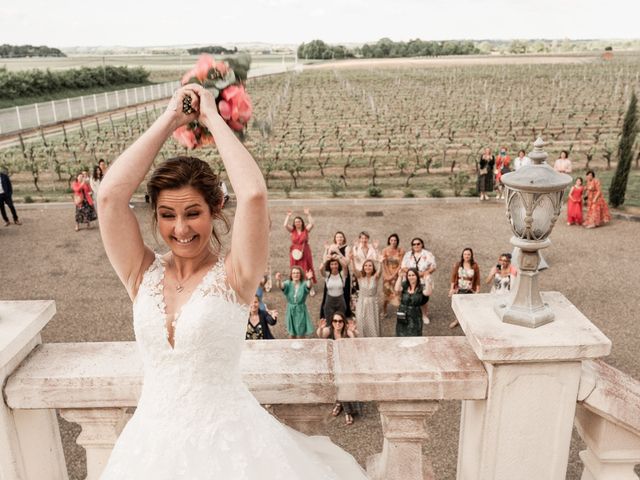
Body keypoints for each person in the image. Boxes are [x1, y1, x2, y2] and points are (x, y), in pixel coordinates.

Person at [97, 84, 367, 478]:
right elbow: (108, 197)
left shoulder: (236, 274)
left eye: (193, 213)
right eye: (168, 215)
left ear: (216, 210)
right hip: (148, 451)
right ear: (155, 216)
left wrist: (212, 117)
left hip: (229, 449)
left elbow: (254, 194)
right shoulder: (141, 272)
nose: (181, 228)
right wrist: (171, 117)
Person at [316, 312, 360, 425]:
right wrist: (320, 329)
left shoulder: (347, 332)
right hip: (333, 363)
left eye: (340, 321)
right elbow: (320, 335)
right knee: (338, 385)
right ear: (332, 322)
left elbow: (355, 342)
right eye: (335, 321)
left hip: (346, 363)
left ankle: (344, 409)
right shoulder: (329, 331)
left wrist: (353, 331)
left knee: (343, 385)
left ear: (343, 322)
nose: (337, 323)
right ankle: (344, 408)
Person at [401, 237, 436, 324]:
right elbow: (403, 267)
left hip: (423, 280)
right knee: (411, 297)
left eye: (418, 244)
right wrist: (413, 273)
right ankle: (410, 314)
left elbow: (433, 266)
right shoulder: (408, 254)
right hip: (411, 279)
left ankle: (424, 315)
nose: (416, 245)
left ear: (422, 244)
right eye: (414, 244)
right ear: (412, 246)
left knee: (423, 298)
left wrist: (424, 273)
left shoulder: (428, 254)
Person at [319, 231, 352, 318]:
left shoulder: (347, 247)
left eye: (341, 237)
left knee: (344, 291)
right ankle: (328, 312)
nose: (339, 239)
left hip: (343, 271)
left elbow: (347, 262)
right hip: (332, 270)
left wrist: (338, 252)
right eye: (337, 237)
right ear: (335, 238)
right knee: (329, 290)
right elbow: (324, 260)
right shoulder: (331, 246)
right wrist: (327, 250)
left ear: (344, 238)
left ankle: (343, 313)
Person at [276, 267, 315, 339]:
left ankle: (301, 348)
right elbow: (281, 286)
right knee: (291, 333)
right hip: (290, 309)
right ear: (291, 275)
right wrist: (278, 280)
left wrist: (309, 278)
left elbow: (309, 285)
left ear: (301, 275)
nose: (295, 275)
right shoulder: (288, 283)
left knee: (301, 333)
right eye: (294, 273)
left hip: (301, 309)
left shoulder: (303, 283)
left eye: (297, 273)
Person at [447, 248, 481, 329]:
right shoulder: (458, 264)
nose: (467, 256)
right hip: (459, 287)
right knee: (458, 305)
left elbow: (477, 278)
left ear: (471, 255)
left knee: (468, 305)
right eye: (465, 254)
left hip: (469, 288)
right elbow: (453, 276)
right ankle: (457, 320)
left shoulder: (474, 265)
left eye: (468, 254)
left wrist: (478, 290)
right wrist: (451, 288)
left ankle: (467, 321)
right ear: (462, 255)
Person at [284, 209, 316, 286]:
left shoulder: (306, 230)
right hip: (294, 252)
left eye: (299, 221)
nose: (297, 223)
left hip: (304, 250)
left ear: (302, 222)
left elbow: (312, 224)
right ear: (294, 224)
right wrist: (288, 216)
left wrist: (308, 214)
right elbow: (285, 225)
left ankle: (309, 285)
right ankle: (296, 283)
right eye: (296, 222)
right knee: (295, 267)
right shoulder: (292, 230)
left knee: (307, 266)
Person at [394, 268, 430, 337]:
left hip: (415, 315)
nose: (411, 277)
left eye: (413, 275)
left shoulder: (421, 287)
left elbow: (428, 293)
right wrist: (400, 277)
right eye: (409, 275)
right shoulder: (405, 285)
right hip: (403, 313)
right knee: (401, 333)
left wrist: (427, 280)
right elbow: (397, 289)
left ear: (417, 276)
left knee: (415, 334)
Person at [351, 258, 381, 337]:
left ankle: (374, 342)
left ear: (373, 268)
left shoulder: (375, 277)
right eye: (366, 265)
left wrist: (381, 262)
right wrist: (352, 260)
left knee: (372, 324)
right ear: (363, 267)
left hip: (372, 304)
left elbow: (380, 272)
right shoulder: (360, 277)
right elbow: (354, 270)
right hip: (362, 303)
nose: (368, 267)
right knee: (361, 322)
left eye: (370, 266)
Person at [381, 233, 405, 316]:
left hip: (397, 274)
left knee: (398, 292)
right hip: (387, 275)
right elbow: (384, 264)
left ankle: (400, 311)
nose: (393, 242)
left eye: (395, 240)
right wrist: (388, 275)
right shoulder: (384, 250)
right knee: (386, 293)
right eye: (391, 240)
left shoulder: (401, 250)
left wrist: (394, 275)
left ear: (397, 241)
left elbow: (401, 264)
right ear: (389, 241)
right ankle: (384, 310)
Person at [321, 258, 347, 322]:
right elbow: (321, 269)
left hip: (340, 299)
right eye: (332, 264)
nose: (334, 266)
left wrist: (338, 258)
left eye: (336, 264)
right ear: (329, 266)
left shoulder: (342, 274)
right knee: (329, 320)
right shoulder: (327, 274)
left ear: (338, 265)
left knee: (340, 320)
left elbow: (345, 266)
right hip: (329, 300)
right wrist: (327, 259)